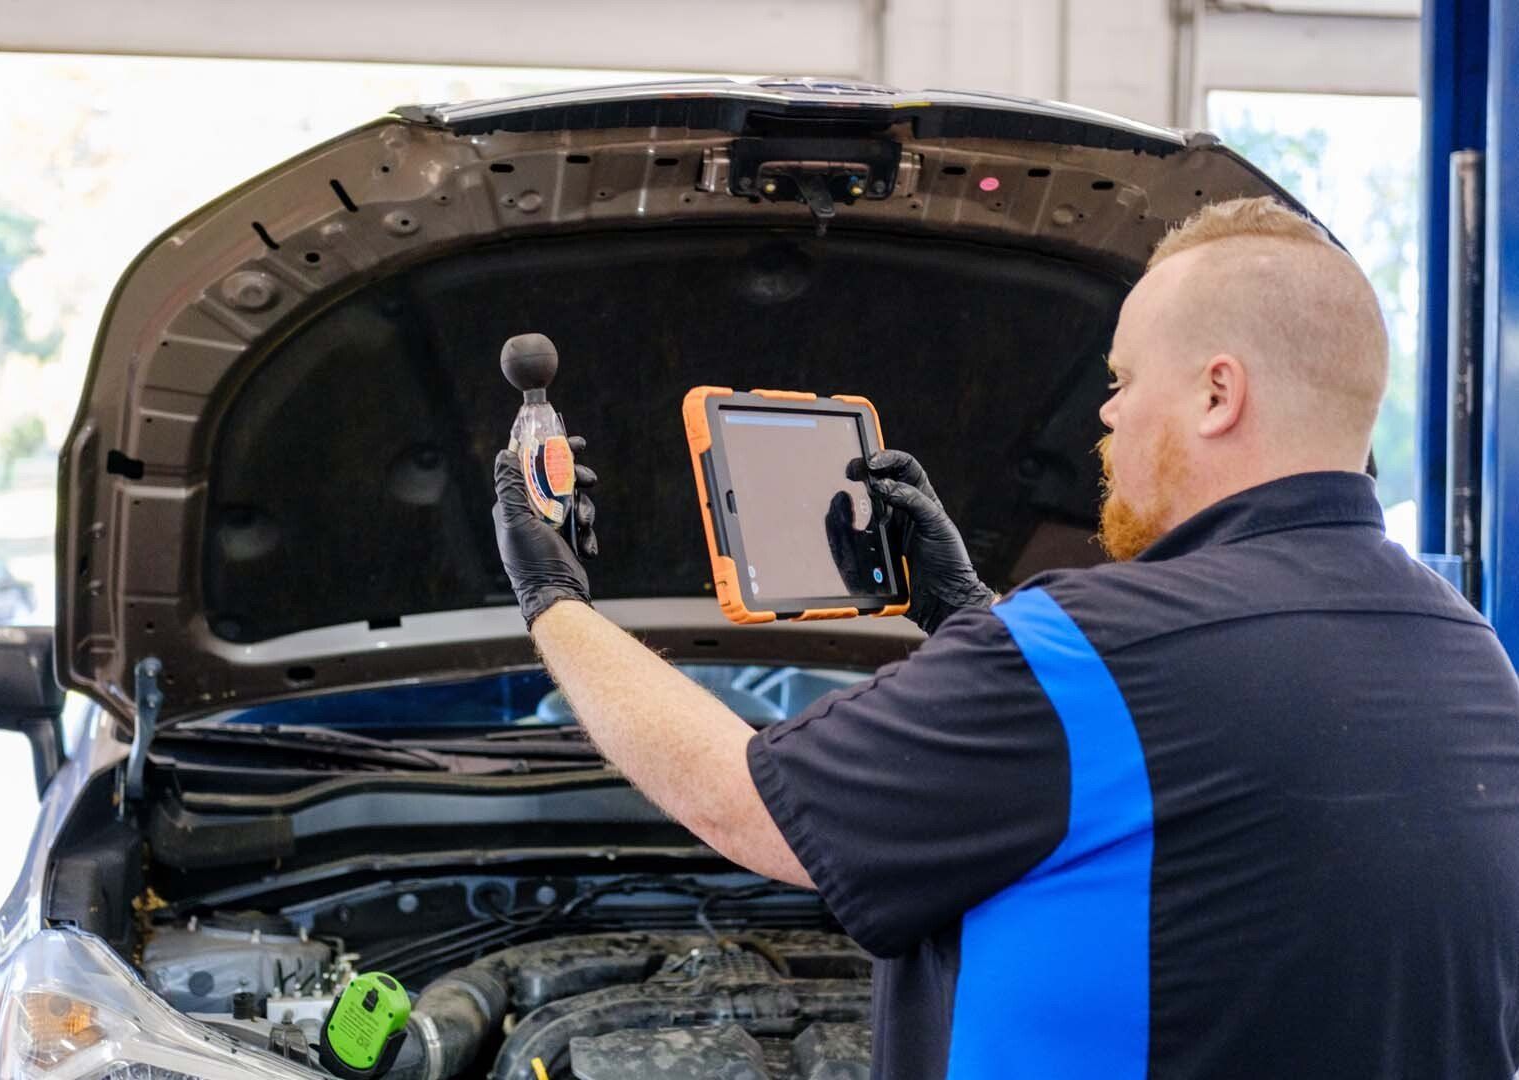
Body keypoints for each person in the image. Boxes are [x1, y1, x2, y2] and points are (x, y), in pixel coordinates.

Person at [491, 196, 1519, 1079]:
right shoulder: (1469, 659)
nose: (1104, 422)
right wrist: (976, 622)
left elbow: (742, 798)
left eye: (1119, 381)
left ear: (1217, 393)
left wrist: (558, 602)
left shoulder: (1094, 654)